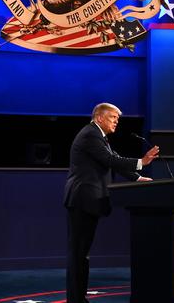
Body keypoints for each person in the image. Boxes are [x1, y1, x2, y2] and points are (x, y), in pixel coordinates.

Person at [63, 103, 159, 303]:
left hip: (86, 200)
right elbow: (109, 159)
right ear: (100, 118)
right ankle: (76, 300)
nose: (117, 122)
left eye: (117, 118)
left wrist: (137, 178)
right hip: (82, 199)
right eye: (113, 117)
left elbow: (113, 158)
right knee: (78, 254)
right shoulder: (91, 134)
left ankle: (78, 299)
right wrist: (141, 162)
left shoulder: (99, 136)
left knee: (82, 254)